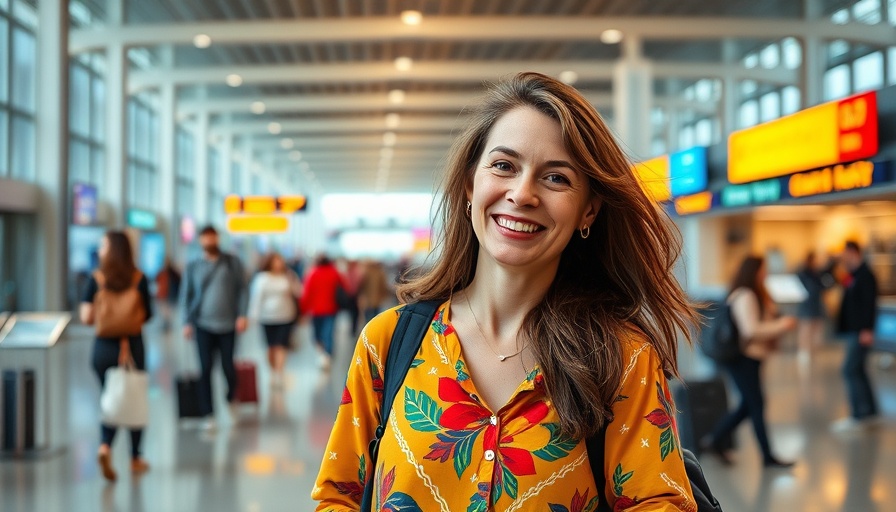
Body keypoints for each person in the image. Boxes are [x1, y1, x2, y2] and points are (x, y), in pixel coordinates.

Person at [312, 72, 700, 510]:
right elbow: (338, 494)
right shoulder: (389, 344)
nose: (522, 193)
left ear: (588, 211)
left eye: (556, 178)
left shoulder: (623, 358)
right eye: (503, 166)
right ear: (470, 185)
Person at [701, 255, 797, 469]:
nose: (766, 274)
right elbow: (750, 330)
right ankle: (767, 456)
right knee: (756, 405)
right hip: (743, 358)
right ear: (754, 271)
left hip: (747, 358)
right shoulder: (745, 295)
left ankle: (714, 440)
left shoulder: (752, 293)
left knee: (748, 405)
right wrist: (783, 325)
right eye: (763, 269)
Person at [79, 230, 153, 481]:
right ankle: (135, 457)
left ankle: (105, 446)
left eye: (103, 245)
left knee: (109, 399)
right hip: (132, 346)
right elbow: (148, 314)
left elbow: (86, 318)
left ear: (111, 250)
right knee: (134, 397)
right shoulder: (139, 278)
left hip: (103, 348)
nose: (100, 250)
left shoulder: (96, 279)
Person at [179, 225, 248, 430]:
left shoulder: (231, 263)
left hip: (228, 324)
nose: (209, 241)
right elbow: (186, 295)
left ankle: (230, 398)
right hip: (202, 325)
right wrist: (186, 322)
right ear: (200, 241)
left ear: (218, 239)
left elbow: (242, 289)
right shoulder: (194, 266)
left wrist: (242, 315)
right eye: (205, 238)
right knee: (205, 369)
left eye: (212, 237)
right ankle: (208, 413)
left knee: (228, 366)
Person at [831, 240, 879, 432]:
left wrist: (867, 329)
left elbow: (869, 304)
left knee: (850, 370)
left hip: (860, 332)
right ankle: (870, 411)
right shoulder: (852, 275)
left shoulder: (866, 276)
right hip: (853, 330)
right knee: (858, 370)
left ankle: (858, 414)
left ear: (853, 252)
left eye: (845, 254)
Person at [248, 252, 302, 386]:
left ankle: (279, 373)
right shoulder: (262, 278)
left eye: (280, 261)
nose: (279, 264)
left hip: (286, 316)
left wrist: (292, 281)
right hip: (267, 318)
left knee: (281, 346)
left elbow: (299, 291)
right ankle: (273, 371)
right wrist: (252, 316)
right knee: (271, 347)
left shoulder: (288, 276)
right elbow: (256, 298)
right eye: (276, 261)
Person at [300, 255, 346, 369]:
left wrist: (303, 309)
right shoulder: (334, 272)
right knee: (328, 333)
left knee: (317, 334)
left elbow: (307, 292)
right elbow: (344, 287)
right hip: (331, 308)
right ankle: (327, 355)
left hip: (316, 310)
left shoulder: (312, 273)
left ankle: (323, 354)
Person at [795, 251, 831, 369]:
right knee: (806, 330)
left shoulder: (817, 273)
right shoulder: (803, 273)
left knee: (817, 331)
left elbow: (824, 285)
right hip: (807, 305)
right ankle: (804, 352)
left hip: (817, 305)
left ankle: (813, 352)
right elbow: (810, 288)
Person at [357, 260, 391, 324]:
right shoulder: (380, 273)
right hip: (378, 300)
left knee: (367, 318)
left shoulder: (366, 273)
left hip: (367, 300)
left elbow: (361, 286)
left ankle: (368, 330)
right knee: (376, 318)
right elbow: (384, 286)